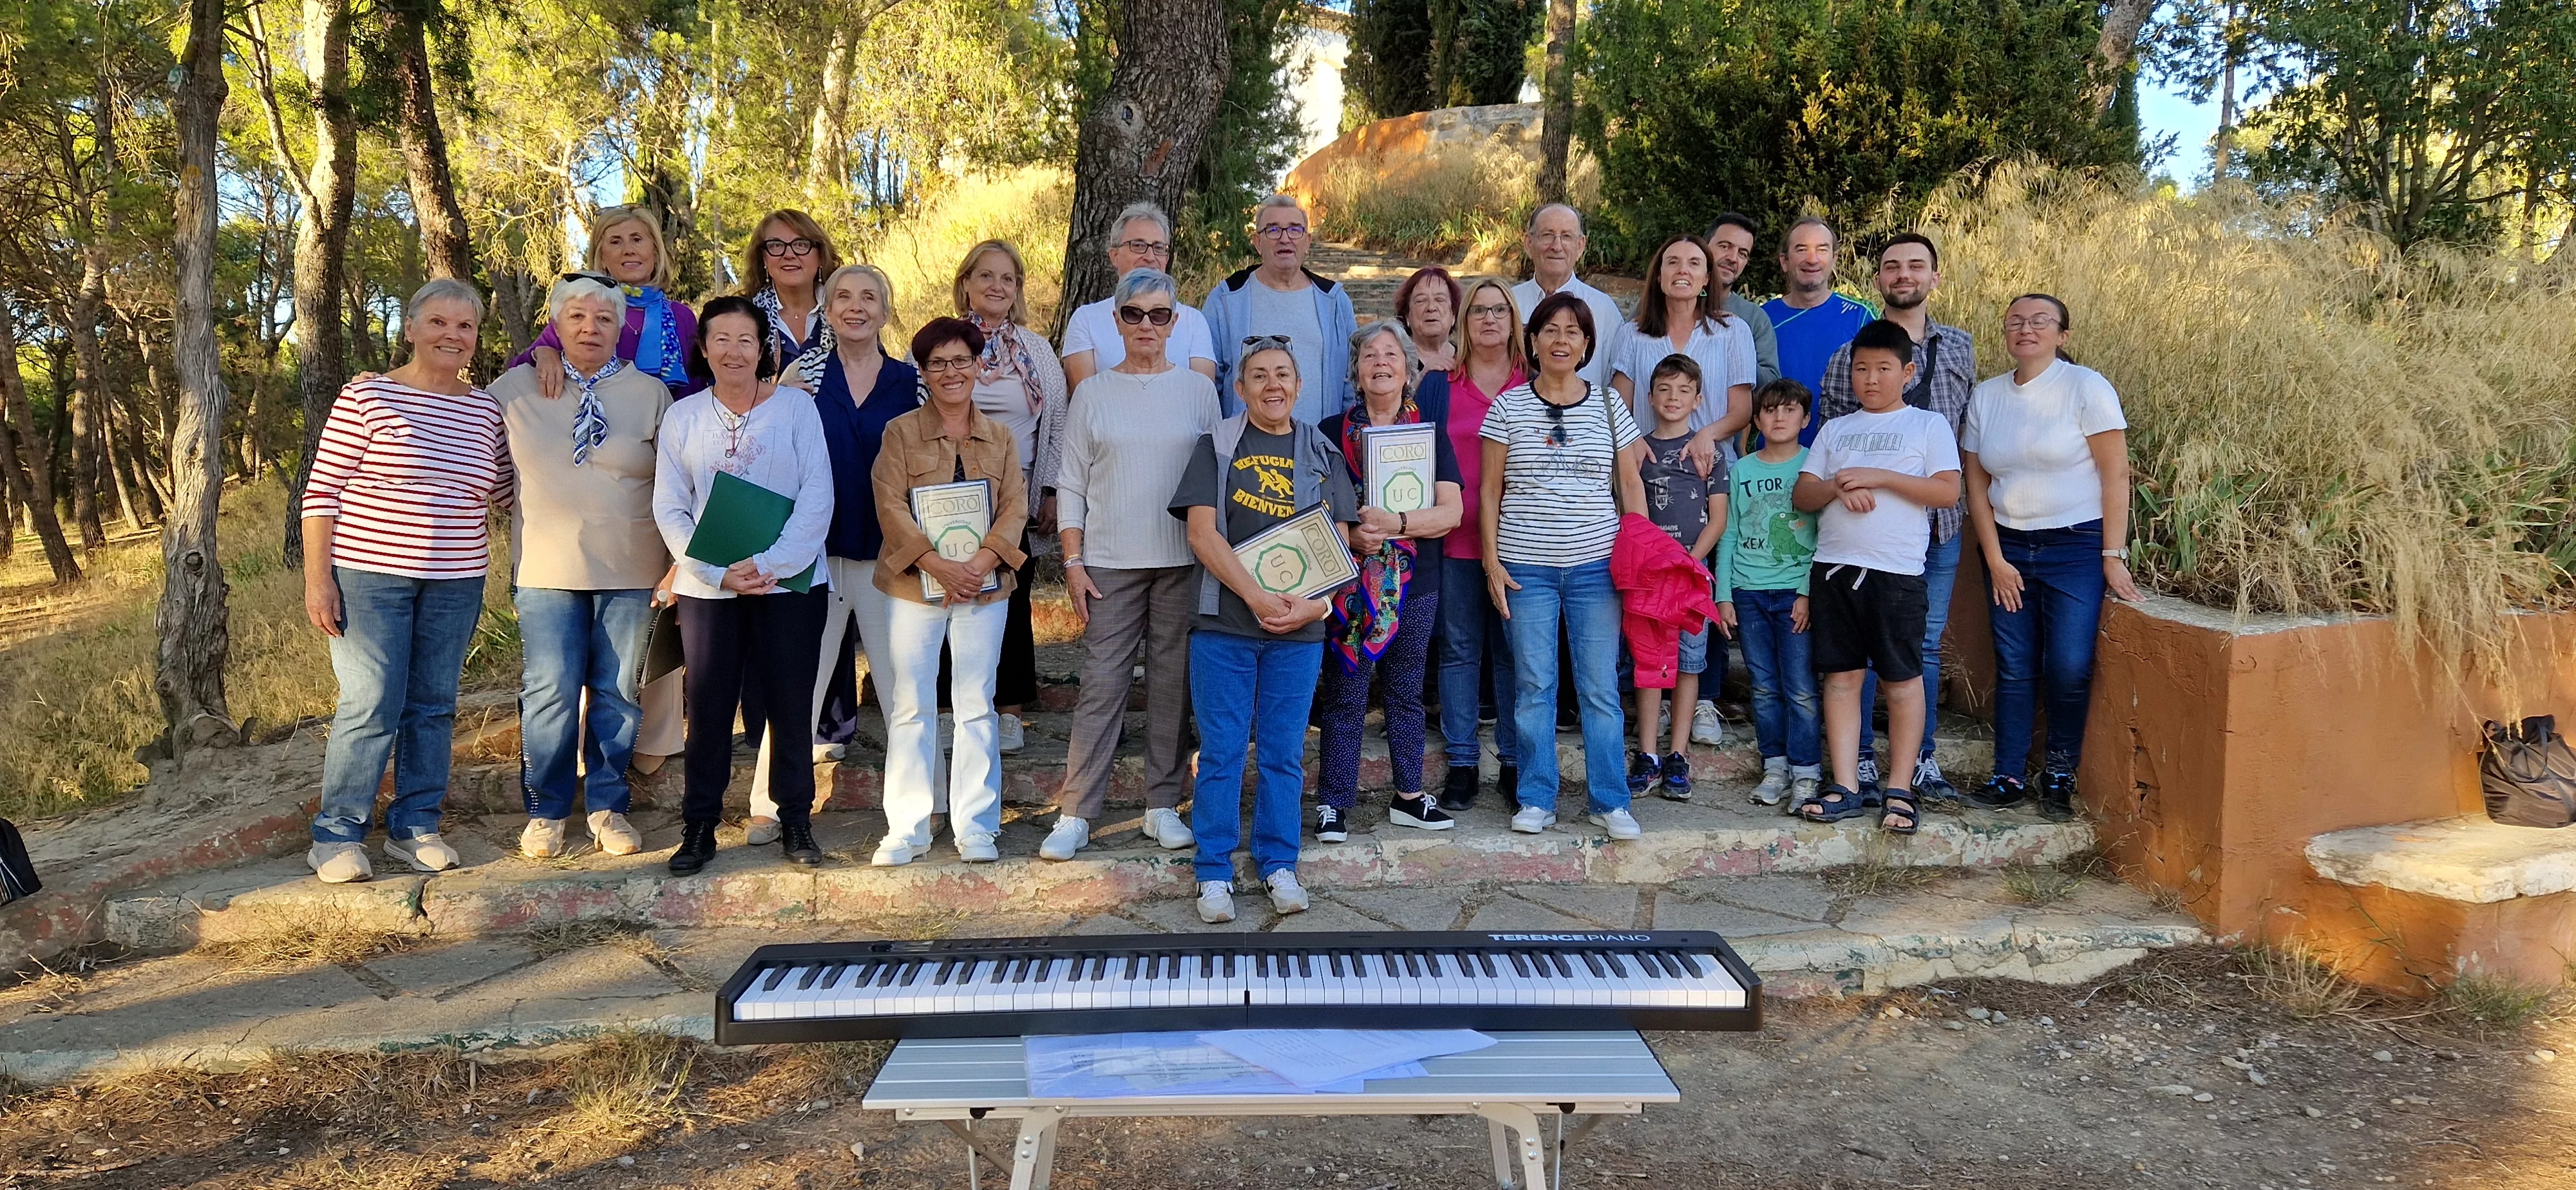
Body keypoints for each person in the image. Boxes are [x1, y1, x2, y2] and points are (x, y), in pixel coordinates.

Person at [300, 279, 507, 883]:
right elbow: (321, 494)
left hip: (457, 579)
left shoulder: (484, 409)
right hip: (369, 577)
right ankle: (336, 834)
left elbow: (502, 492)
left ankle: (416, 826)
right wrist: (320, 581)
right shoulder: (367, 396)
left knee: (434, 706)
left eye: (465, 327)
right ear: (411, 328)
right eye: (439, 323)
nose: (453, 335)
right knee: (371, 701)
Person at [1170, 338, 1359, 923]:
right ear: (1240, 387)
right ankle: (1214, 874)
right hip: (1224, 625)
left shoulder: (1322, 450)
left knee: (1282, 754)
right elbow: (1202, 534)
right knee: (1223, 753)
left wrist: (1315, 608)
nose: (1272, 385)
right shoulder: (1218, 445)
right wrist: (1252, 594)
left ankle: (1279, 864)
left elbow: (1343, 545)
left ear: (1299, 387)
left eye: (1283, 374)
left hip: (1297, 633)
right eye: (1259, 376)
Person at [489, 273, 672, 860]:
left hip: (630, 567)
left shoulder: (650, 394)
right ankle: (546, 812)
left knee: (618, 691)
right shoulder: (513, 389)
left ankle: (608, 806)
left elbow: (675, 484)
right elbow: (482, 464)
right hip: (545, 568)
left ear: (621, 329)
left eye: (604, 320)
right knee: (550, 691)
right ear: (557, 324)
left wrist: (673, 564)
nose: (591, 328)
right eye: (577, 318)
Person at [652, 296, 835, 874]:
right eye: (721, 339)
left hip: (790, 584)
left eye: (746, 340)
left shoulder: (796, 410)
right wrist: (715, 571)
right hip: (710, 590)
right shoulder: (683, 417)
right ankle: (700, 824)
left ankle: (796, 819)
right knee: (708, 707)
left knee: (789, 703)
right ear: (704, 348)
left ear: (765, 349)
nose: (734, 351)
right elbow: (670, 506)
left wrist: (773, 564)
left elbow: (817, 493)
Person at [1045, 269, 1220, 862]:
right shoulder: (1092, 393)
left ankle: (1161, 805)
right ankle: (1076, 812)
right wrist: (1072, 559)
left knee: (1172, 686)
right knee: (1102, 685)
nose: (1147, 325)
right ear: (1116, 321)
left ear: (1175, 323)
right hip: (1110, 563)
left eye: (1160, 314)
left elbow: (1214, 479)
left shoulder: (1198, 391)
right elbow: (1070, 482)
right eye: (1135, 314)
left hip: (1180, 562)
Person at [745, 263, 920, 845]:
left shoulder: (911, 380)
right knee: (798, 683)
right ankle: (769, 807)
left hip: (888, 559)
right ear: (827, 308)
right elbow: (773, 455)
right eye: (843, 296)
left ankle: (918, 807)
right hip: (811, 557)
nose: (856, 307)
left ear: (885, 311)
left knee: (901, 689)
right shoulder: (804, 375)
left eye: (870, 297)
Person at [1960, 294, 2140, 822]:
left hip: (2075, 546)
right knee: (2015, 667)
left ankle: (2059, 772)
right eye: (2015, 321)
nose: (2026, 329)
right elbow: (1977, 483)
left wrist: (2112, 554)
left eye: (2041, 321)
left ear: (2062, 335)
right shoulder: (1987, 397)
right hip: (2009, 546)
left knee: (2067, 665)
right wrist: (1994, 559)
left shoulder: (2086, 387)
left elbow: (2116, 474)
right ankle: (2008, 775)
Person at [1814, 232, 1977, 804]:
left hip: (1939, 525)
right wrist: (1843, 488)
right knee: (1851, 657)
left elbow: (1963, 435)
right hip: (1857, 532)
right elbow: (1836, 437)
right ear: (1878, 278)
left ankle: (1917, 765)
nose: (1904, 275)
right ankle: (1855, 763)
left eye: (1916, 266)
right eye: (1891, 266)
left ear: (1935, 277)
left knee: (1918, 651)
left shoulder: (1960, 347)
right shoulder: (1848, 355)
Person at [1480, 292, 1649, 840]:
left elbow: (1629, 486)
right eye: (1550, 330)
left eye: (1572, 332)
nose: (1560, 340)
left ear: (1586, 345)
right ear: (1532, 340)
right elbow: (1488, 492)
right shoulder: (1507, 407)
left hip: (1596, 567)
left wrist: (1640, 553)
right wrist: (1491, 560)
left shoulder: (1609, 406)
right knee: (1534, 685)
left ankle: (1610, 800)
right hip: (1525, 566)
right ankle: (1536, 797)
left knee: (1599, 687)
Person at [867, 317, 1032, 865]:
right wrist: (937, 564)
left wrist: (981, 562)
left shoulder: (1002, 437)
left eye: (961, 360)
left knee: (975, 704)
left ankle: (976, 825)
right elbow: (888, 503)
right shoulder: (900, 433)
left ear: (978, 365)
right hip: (914, 588)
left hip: (984, 590)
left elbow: (1015, 507)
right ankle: (908, 827)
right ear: (924, 372)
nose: (951, 372)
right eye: (938, 363)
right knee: (912, 704)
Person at [1792, 319, 1962, 835]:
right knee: (1842, 678)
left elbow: (1947, 493)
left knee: (1902, 682)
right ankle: (1845, 784)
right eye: (1862, 368)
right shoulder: (1835, 430)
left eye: (1883, 368)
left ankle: (1900, 789)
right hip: (1835, 569)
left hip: (1896, 576)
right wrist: (1840, 486)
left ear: (1907, 372)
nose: (1871, 378)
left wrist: (1879, 476)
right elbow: (1803, 496)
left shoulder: (1928, 426)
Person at [1316, 323, 1465, 838]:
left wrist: (1397, 526)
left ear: (1409, 370)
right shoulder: (1330, 431)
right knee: (1346, 690)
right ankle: (1334, 801)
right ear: (1356, 373)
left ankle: (1409, 796)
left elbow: (1452, 512)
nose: (1381, 362)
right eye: (1370, 356)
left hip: (1416, 581)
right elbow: (1313, 508)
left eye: (1391, 355)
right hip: (1347, 582)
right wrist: (1354, 535)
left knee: (1405, 691)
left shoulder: (1428, 433)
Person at [954, 240, 1063, 753]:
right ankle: (959, 707)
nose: (997, 286)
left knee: (1011, 602)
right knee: (956, 599)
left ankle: (1010, 712)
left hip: (1014, 498)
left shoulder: (1036, 350)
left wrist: (1050, 489)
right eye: (986, 276)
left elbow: (1057, 423)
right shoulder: (944, 342)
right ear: (967, 284)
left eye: (1008, 279)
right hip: (952, 496)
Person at [1718, 379, 1823, 809]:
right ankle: (1775, 766)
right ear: (1757, 418)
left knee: (1799, 686)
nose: (1779, 418)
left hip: (1794, 591)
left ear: (1805, 418)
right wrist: (1724, 593)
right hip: (1749, 590)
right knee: (1763, 687)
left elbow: (1823, 537)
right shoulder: (1743, 469)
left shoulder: (1814, 466)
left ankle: (1806, 772)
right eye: (1771, 410)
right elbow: (1730, 533)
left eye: (1790, 410)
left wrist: (1807, 591)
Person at [1626, 355, 1727, 802]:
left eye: (1684, 391)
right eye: (1664, 390)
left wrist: (1691, 561)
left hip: (1691, 577)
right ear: (1650, 397)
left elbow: (1718, 518)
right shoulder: (1637, 451)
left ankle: (1678, 756)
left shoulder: (1709, 452)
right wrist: (1657, 560)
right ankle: (1648, 754)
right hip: (1651, 576)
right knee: (1650, 665)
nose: (1673, 398)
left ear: (1698, 399)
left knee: (1689, 664)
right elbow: (1628, 512)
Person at [509, 204, 704, 398]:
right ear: (602, 257)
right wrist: (543, 353)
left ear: (654, 250)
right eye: (616, 242)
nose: (628, 250)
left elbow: (699, 386)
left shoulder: (681, 317)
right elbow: (516, 371)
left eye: (637, 239)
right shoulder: (582, 311)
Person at [1605, 234, 1757, 472]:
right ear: (1659, 275)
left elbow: (1741, 411)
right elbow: (1618, 408)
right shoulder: (1632, 335)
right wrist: (1633, 441)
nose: (1682, 271)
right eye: (1673, 262)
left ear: (1706, 278)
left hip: (1712, 469)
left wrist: (1707, 435)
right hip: (1648, 469)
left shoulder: (1733, 332)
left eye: (1694, 263)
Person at [1201, 193, 1359, 422]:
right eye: (1273, 230)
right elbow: (1210, 384)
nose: (1285, 238)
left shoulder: (1334, 302)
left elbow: (1351, 380)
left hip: (1319, 447)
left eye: (1295, 229)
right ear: (1257, 242)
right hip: (1247, 451)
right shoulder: (1227, 300)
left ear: (1308, 242)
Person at [1057, 202, 1220, 390]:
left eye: (1159, 248)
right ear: (1114, 255)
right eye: (1138, 245)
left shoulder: (1193, 321)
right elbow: (1085, 399)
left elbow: (1201, 397)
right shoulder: (1086, 320)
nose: (1150, 257)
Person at [1763, 217, 1874, 448]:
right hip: (1776, 457)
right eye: (1801, 250)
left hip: (1845, 454)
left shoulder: (1860, 316)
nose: (1812, 260)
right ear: (1784, 261)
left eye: (1822, 250)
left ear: (1834, 259)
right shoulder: (1762, 320)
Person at [1510, 204, 1627, 392]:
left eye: (1566, 237)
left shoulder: (1603, 310)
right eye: (1547, 235)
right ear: (1528, 243)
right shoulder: (1509, 304)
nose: (1557, 247)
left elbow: (1616, 384)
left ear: (1580, 246)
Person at [739, 209, 844, 361]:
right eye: (776, 245)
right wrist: (776, 386)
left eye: (801, 244)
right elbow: (726, 382)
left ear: (821, 256)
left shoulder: (846, 311)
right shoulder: (742, 317)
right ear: (764, 259)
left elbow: (874, 372)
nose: (789, 255)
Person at [1702, 212, 1780, 388]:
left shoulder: (1754, 318)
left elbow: (1771, 382)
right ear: (1703, 247)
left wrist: (1733, 351)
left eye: (1742, 253)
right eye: (1725, 246)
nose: (1733, 258)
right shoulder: (1664, 302)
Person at [1396, 266, 1463, 371]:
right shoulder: (1396, 361)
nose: (1431, 308)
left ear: (1453, 315)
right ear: (1407, 316)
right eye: (1421, 301)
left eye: (1440, 300)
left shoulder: (1468, 360)